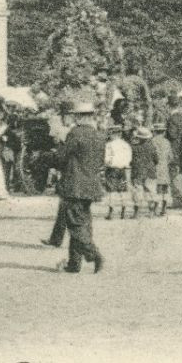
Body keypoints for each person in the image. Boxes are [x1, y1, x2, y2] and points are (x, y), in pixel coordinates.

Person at [55, 99, 107, 273]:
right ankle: (74, 263)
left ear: (78, 116)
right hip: (91, 185)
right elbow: (100, 161)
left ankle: (93, 254)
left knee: (75, 225)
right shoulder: (99, 134)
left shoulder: (75, 133)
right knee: (83, 223)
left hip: (74, 184)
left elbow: (61, 158)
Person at [102, 125, 133, 220]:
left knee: (112, 191)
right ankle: (123, 211)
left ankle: (111, 212)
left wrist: (106, 165)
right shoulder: (126, 145)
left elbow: (107, 158)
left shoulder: (109, 145)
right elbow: (129, 157)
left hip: (112, 169)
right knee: (122, 190)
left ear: (113, 134)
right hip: (123, 169)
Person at [129, 126, 159, 218]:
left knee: (137, 192)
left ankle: (136, 213)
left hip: (138, 172)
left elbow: (131, 161)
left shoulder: (134, 148)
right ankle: (151, 212)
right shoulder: (152, 147)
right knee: (150, 191)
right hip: (150, 172)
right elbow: (156, 160)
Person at [150, 122, 174, 217]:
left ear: (155, 132)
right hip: (164, 167)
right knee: (165, 189)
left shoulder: (152, 141)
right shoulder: (167, 142)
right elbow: (171, 157)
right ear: (163, 132)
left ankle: (155, 209)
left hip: (155, 167)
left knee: (156, 189)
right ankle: (164, 209)